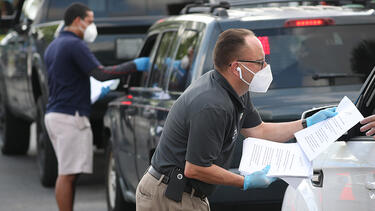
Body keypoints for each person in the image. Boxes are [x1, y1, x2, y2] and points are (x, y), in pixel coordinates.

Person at [135, 28, 337, 211]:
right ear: (236, 67)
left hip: (187, 194)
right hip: (169, 196)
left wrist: (305, 123)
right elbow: (195, 168)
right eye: (259, 62)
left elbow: (259, 131)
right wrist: (245, 181)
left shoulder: (238, 90)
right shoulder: (212, 105)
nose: (265, 67)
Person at [43, 3, 149, 211]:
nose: (93, 27)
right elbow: (101, 73)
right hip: (69, 116)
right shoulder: (74, 45)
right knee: (67, 175)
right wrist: (134, 65)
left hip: (56, 114)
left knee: (67, 173)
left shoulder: (54, 45)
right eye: (90, 21)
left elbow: (69, 79)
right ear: (77, 21)